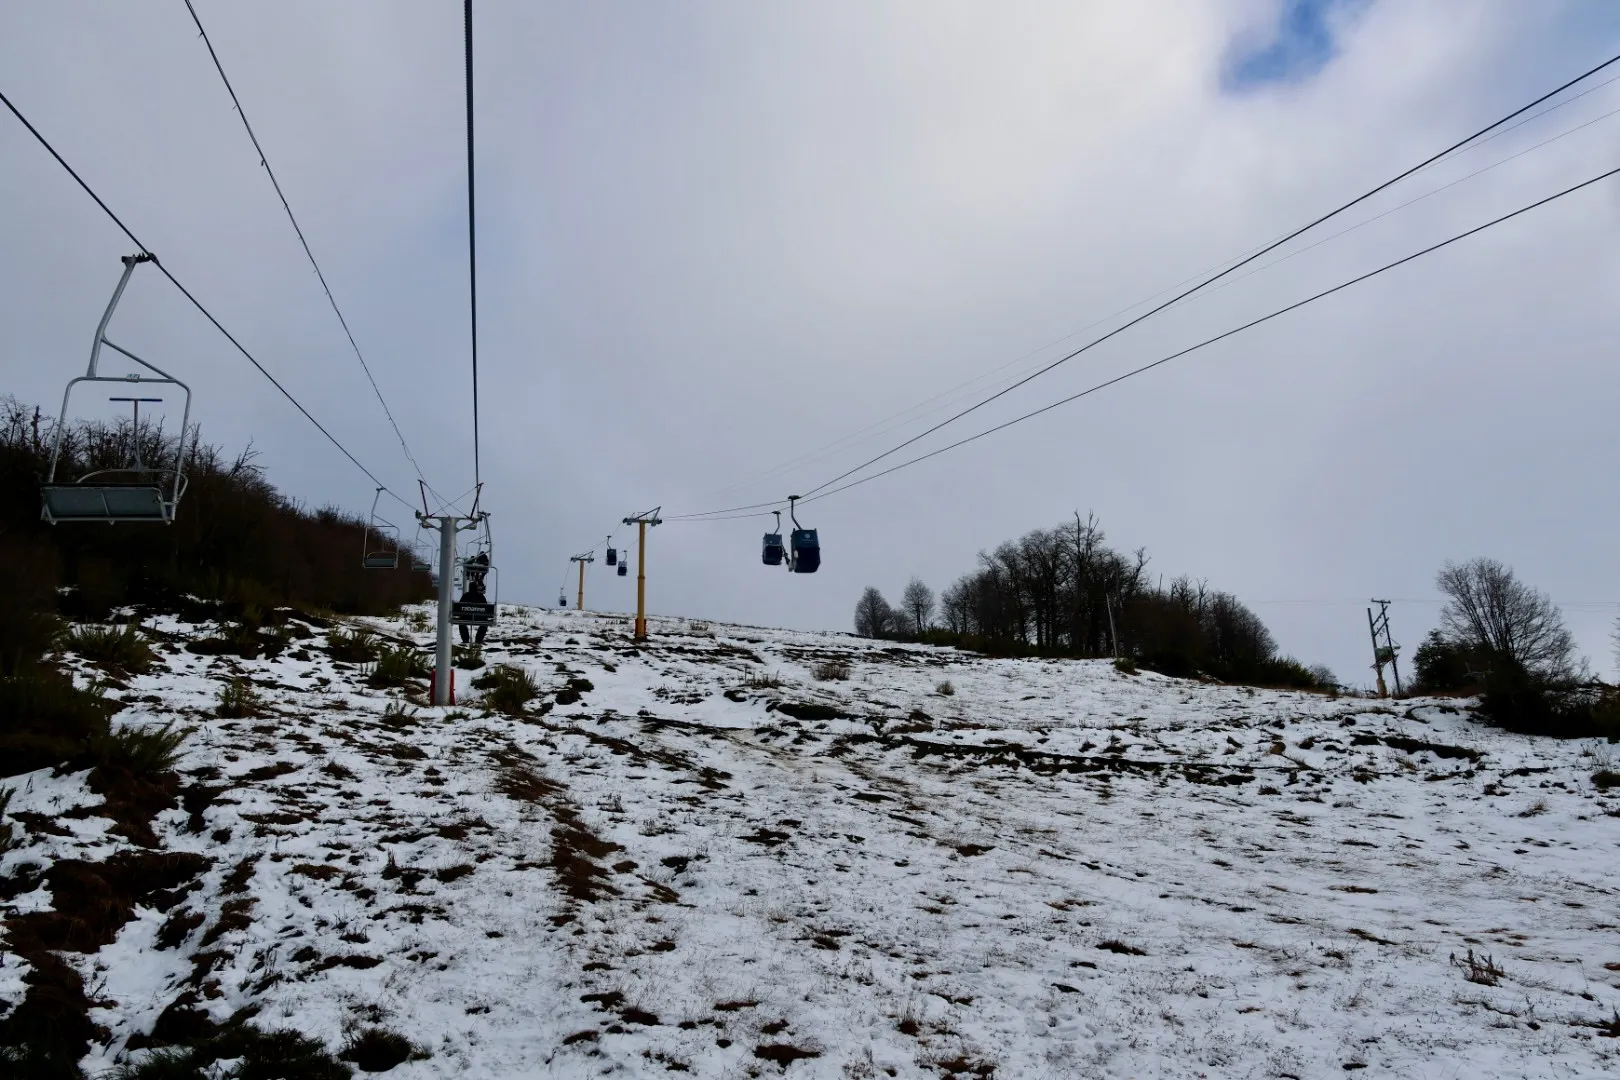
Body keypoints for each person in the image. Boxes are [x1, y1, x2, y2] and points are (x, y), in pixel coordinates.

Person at [458, 551, 490, 645]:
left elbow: (460, 606)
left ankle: (465, 640)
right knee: (484, 625)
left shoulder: (466, 595)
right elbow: (486, 609)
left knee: (462, 623)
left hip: (466, 617)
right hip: (480, 618)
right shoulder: (481, 597)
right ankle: (478, 640)